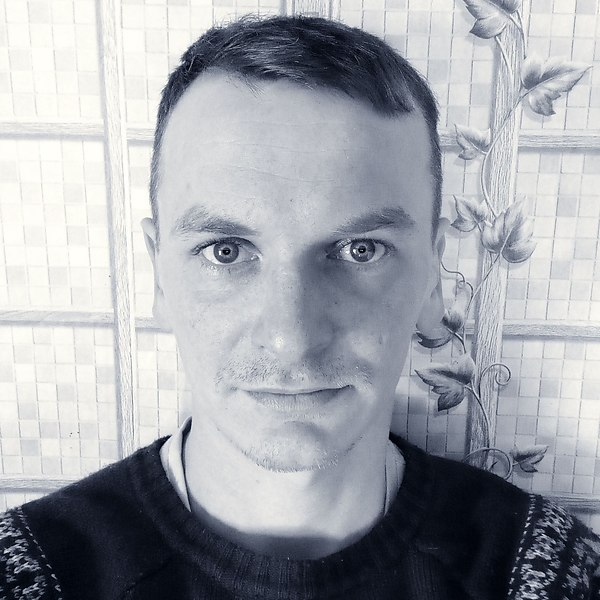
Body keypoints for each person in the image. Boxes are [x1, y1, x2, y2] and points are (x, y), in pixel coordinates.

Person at [1, 14, 599, 600]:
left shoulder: (548, 576)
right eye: (226, 250)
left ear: (431, 276)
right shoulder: (28, 576)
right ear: (159, 274)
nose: (292, 337)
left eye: (361, 249)